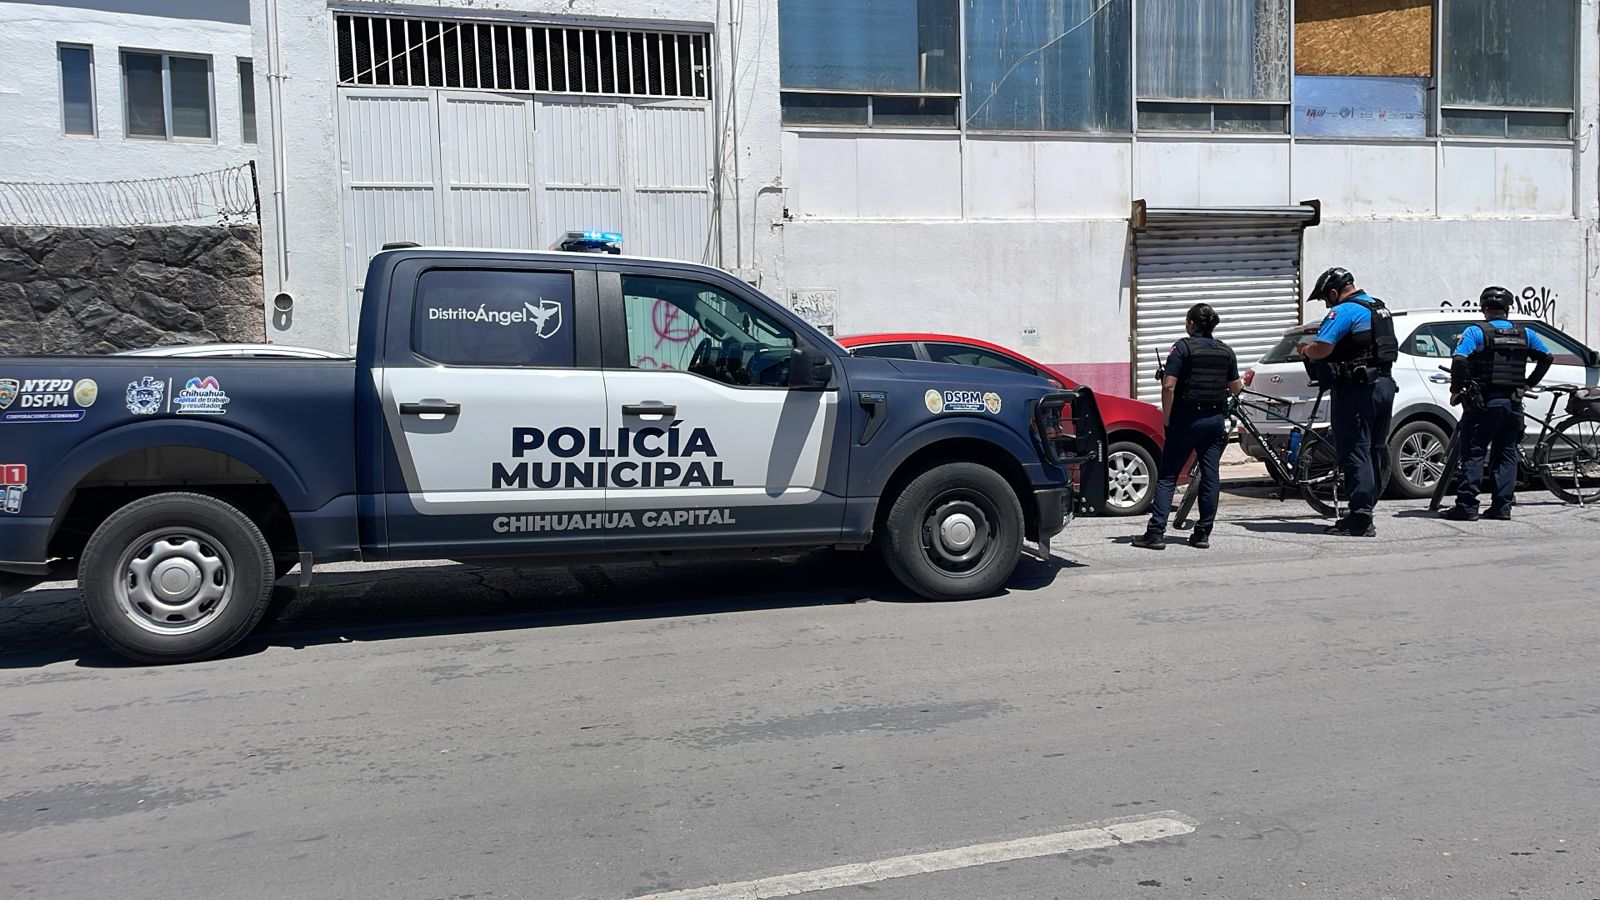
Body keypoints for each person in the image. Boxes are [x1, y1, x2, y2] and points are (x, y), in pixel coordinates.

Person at [1132, 303, 1242, 550]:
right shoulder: (1225, 351)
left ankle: (1156, 533)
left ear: (1191, 324)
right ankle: (1202, 533)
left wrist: (1167, 418)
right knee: (1210, 475)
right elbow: (1236, 388)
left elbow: (1168, 385)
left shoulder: (1182, 348)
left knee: (1168, 475)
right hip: (1214, 421)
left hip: (1186, 419)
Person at [1300, 267, 1399, 537]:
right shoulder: (1378, 307)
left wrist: (1306, 350)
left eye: (1325, 299)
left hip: (1358, 390)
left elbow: (1323, 347)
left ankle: (1360, 519)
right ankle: (1365, 509)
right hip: (1384, 385)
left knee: (1356, 450)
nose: (1326, 305)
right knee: (1374, 449)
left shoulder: (1344, 311)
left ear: (1334, 292)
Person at [1441, 287, 1553, 521]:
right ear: (1508, 308)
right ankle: (1502, 507)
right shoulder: (1525, 333)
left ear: (1484, 308)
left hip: (1484, 403)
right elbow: (1547, 357)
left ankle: (1467, 507)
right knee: (1506, 453)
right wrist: (1528, 384)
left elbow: (1459, 360)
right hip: (1513, 403)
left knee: (1474, 452)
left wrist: (1456, 390)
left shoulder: (1475, 332)